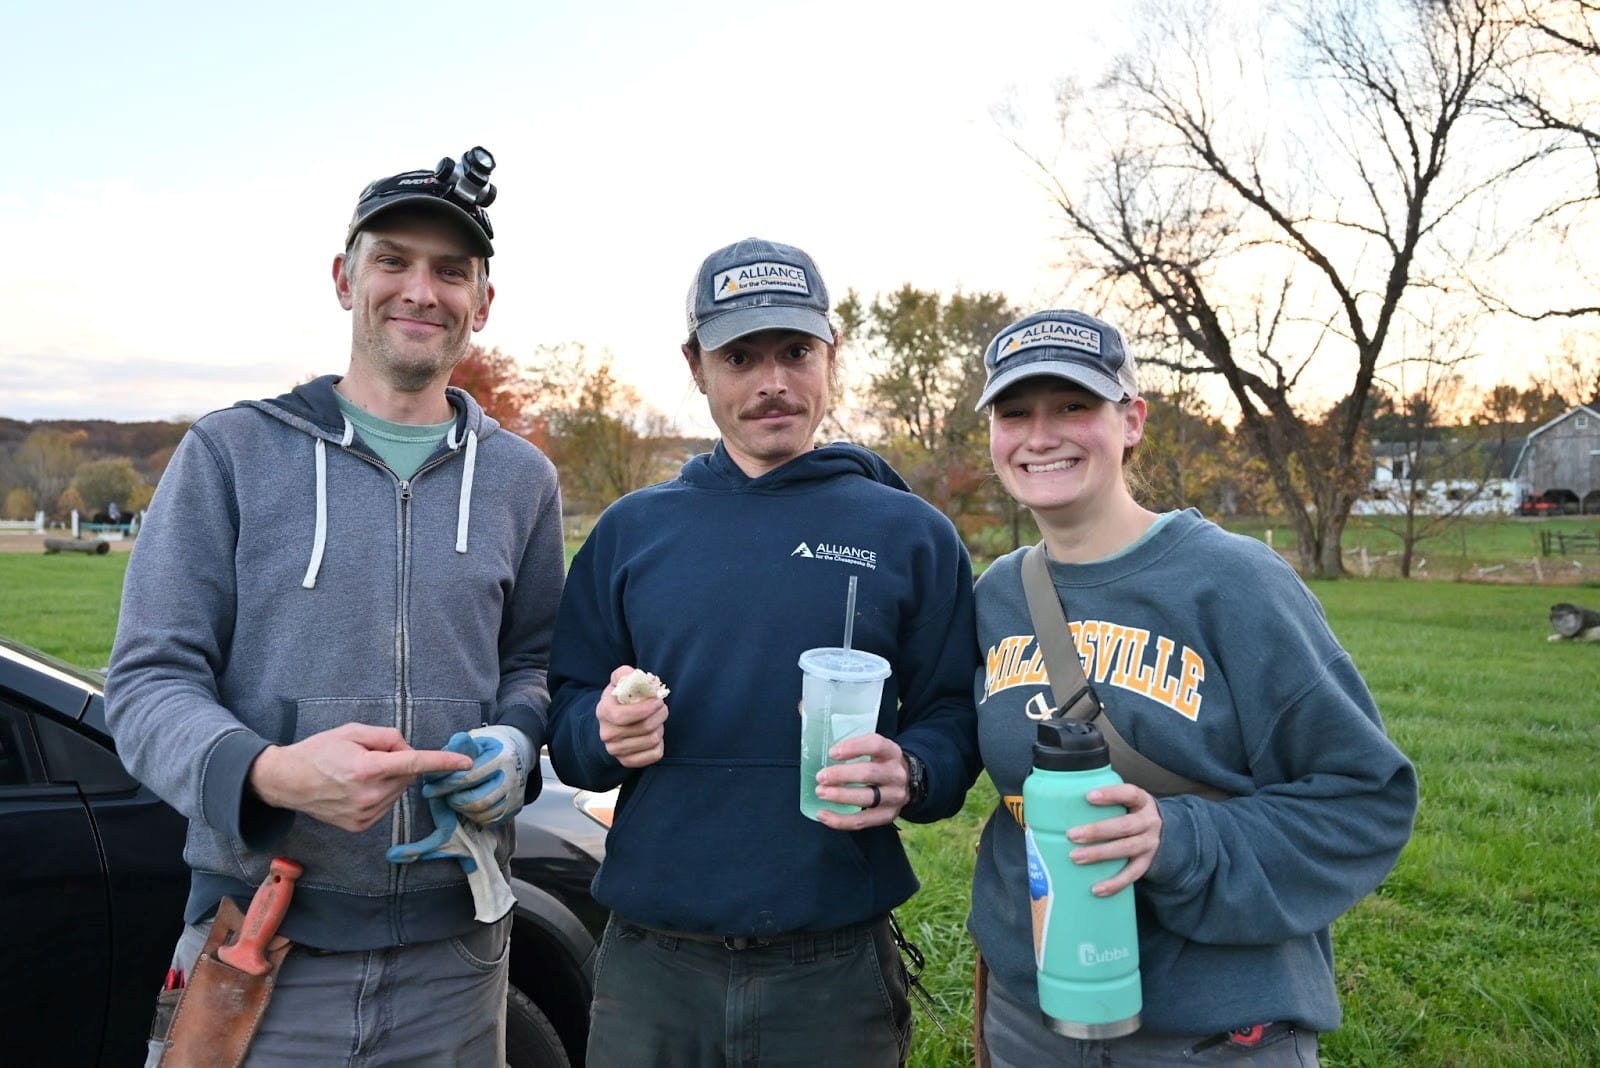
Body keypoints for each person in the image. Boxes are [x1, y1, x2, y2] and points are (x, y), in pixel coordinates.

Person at [106, 146, 565, 1065]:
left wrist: (517, 744)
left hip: (460, 962)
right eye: (393, 259)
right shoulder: (231, 454)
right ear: (343, 276)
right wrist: (267, 773)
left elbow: (539, 663)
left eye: (451, 270)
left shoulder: (522, 480)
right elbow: (149, 682)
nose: (420, 290)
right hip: (260, 945)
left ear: (483, 300)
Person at [545, 237, 982, 1067]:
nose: (771, 380)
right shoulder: (632, 533)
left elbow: (954, 715)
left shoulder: (909, 534)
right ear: (696, 366)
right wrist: (598, 732)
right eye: (740, 356)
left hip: (832, 966)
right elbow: (566, 711)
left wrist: (913, 769)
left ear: (831, 356)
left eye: (794, 352)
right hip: (652, 967)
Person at [966, 310, 1418, 1066]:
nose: (1040, 436)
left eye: (1074, 406)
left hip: (1206, 1031)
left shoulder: (1236, 583)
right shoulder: (997, 595)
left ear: (1132, 420)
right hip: (1029, 1016)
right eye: (1016, 413)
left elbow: (1364, 798)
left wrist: (1177, 838)